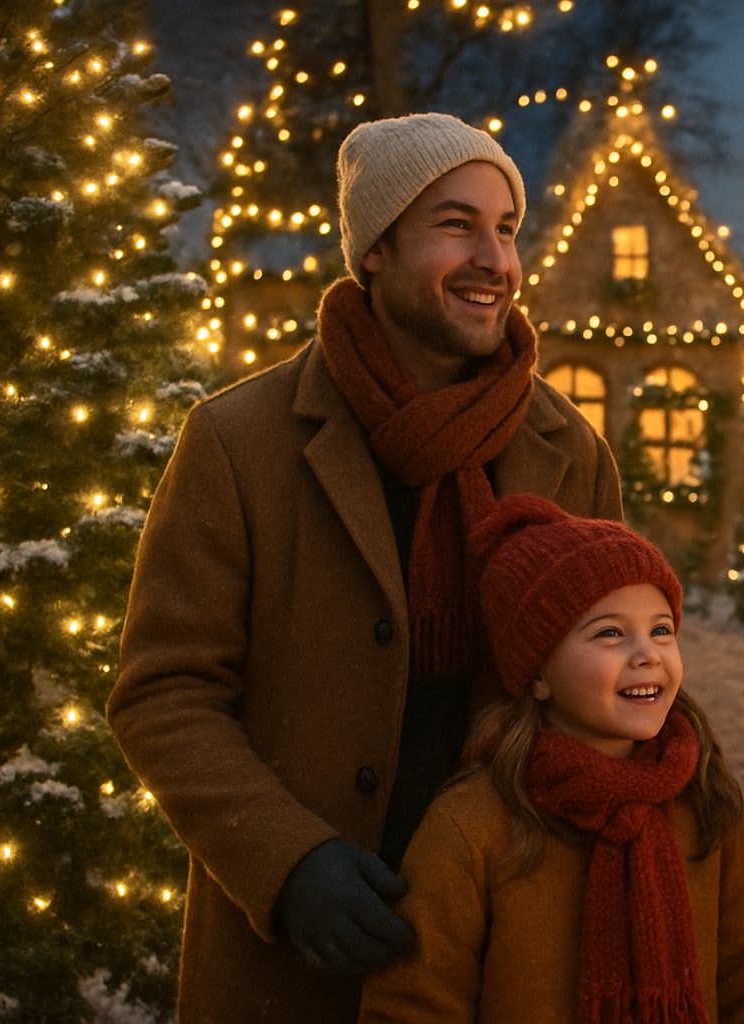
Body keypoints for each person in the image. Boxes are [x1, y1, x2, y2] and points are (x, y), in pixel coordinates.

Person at [107, 113, 621, 1023]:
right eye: (455, 224)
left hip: (500, 958)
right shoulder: (237, 442)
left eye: (506, 229)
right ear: (375, 250)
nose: (495, 259)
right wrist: (287, 861)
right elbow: (164, 691)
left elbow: (607, 693)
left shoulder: (568, 452)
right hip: (290, 965)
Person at [357, 494, 744, 1023]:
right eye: (610, 633)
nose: (647, 654)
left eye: (662, 629)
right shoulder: (475, 825)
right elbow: (414, 1006)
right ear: (538, 674)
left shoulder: (702, 798)